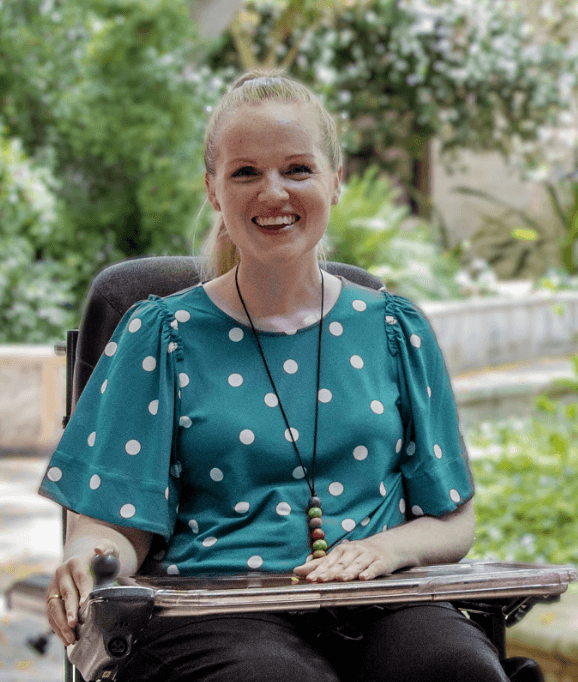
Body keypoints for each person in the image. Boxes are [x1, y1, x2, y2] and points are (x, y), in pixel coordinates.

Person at [39, 70, 508, 682]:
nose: (273, 192)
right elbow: (113, 523)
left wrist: (386, 549)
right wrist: (87, 556)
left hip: (379, 600)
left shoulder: (394, 330)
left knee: (456, 670)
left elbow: (453, 517)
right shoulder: (161, 335)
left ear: (335, 181)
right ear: (213, 189)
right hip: (216, 612)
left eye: (297, 169)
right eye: (245, 173)